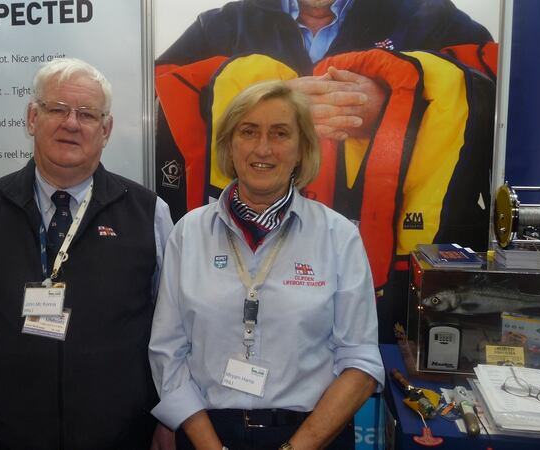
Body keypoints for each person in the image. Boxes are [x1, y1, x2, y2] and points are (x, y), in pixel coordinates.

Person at [154, 0, 496, 341]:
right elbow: (157, 96)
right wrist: (267, 101)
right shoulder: (223, 25)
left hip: (394, 286)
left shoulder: (429, 17)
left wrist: (401, 101)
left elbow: (497, 98)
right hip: (246, 262)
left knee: (364, 364)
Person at [0, 58, 174, 450]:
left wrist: (171, 417)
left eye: (87, 114)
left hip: (124, 438)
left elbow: (172, 331)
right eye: (57, 109)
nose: (71, 123)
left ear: (106, 129)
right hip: (8, 437)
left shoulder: (149, 214)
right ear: (32, 117)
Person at [149, 80, 383, 450]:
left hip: (311, 435)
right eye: (248, 131)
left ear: (303, 149)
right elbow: (168, 351)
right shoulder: (188, 234)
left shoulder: (338, 236)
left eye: (280, 133)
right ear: (229, 144)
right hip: (207, 432)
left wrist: (297, 448)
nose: (262, 148)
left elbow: (361, 361)